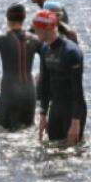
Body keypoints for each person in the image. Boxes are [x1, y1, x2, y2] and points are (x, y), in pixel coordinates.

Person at [33, 10, 86, 145]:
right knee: (51, 152)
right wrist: (43, 115)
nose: (35, 33)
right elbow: (44, 84)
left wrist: (75, 123)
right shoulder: (45, 49)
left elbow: (78, 92)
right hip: (55, 108)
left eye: (37, 29)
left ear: (47, 28)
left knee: (73, 153)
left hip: (72, 111)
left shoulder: (72, 52)